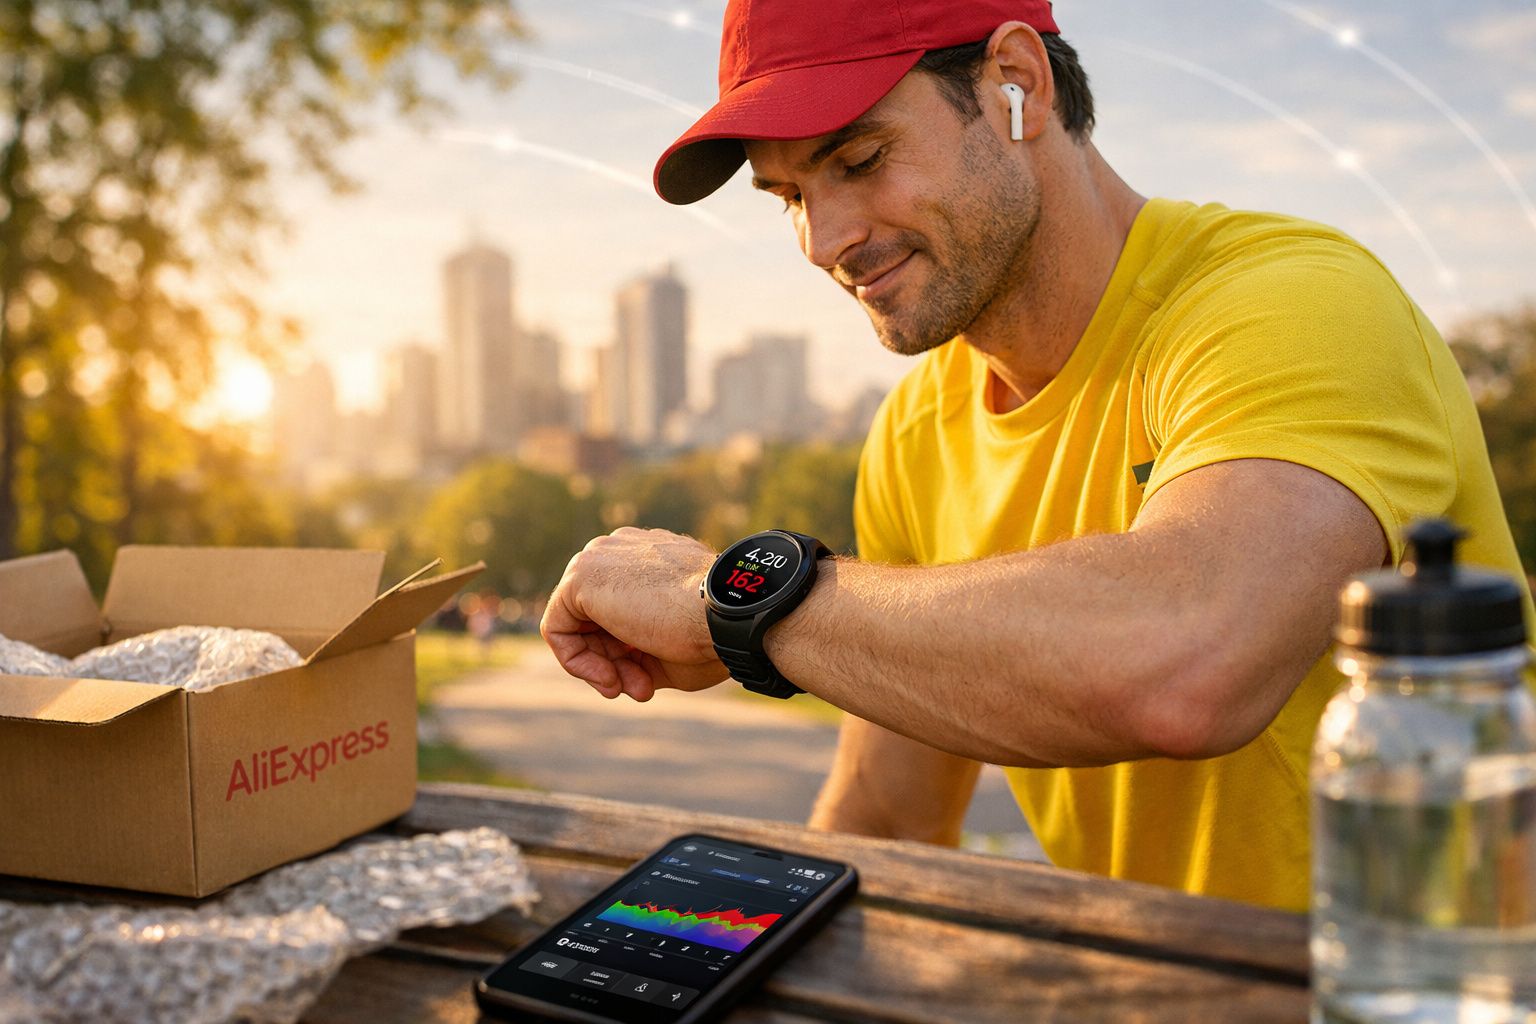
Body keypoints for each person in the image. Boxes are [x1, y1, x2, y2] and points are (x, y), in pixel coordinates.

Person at [539, 0, 1533, 912]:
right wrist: (715, 956)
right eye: (787, 195)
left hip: (1440, 985)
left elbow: (1189, 658)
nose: (822, 239)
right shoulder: (916, 432)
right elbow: (888, 820)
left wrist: (736, 602)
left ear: (1016, 82)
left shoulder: (1296, 304)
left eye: (860, 158)